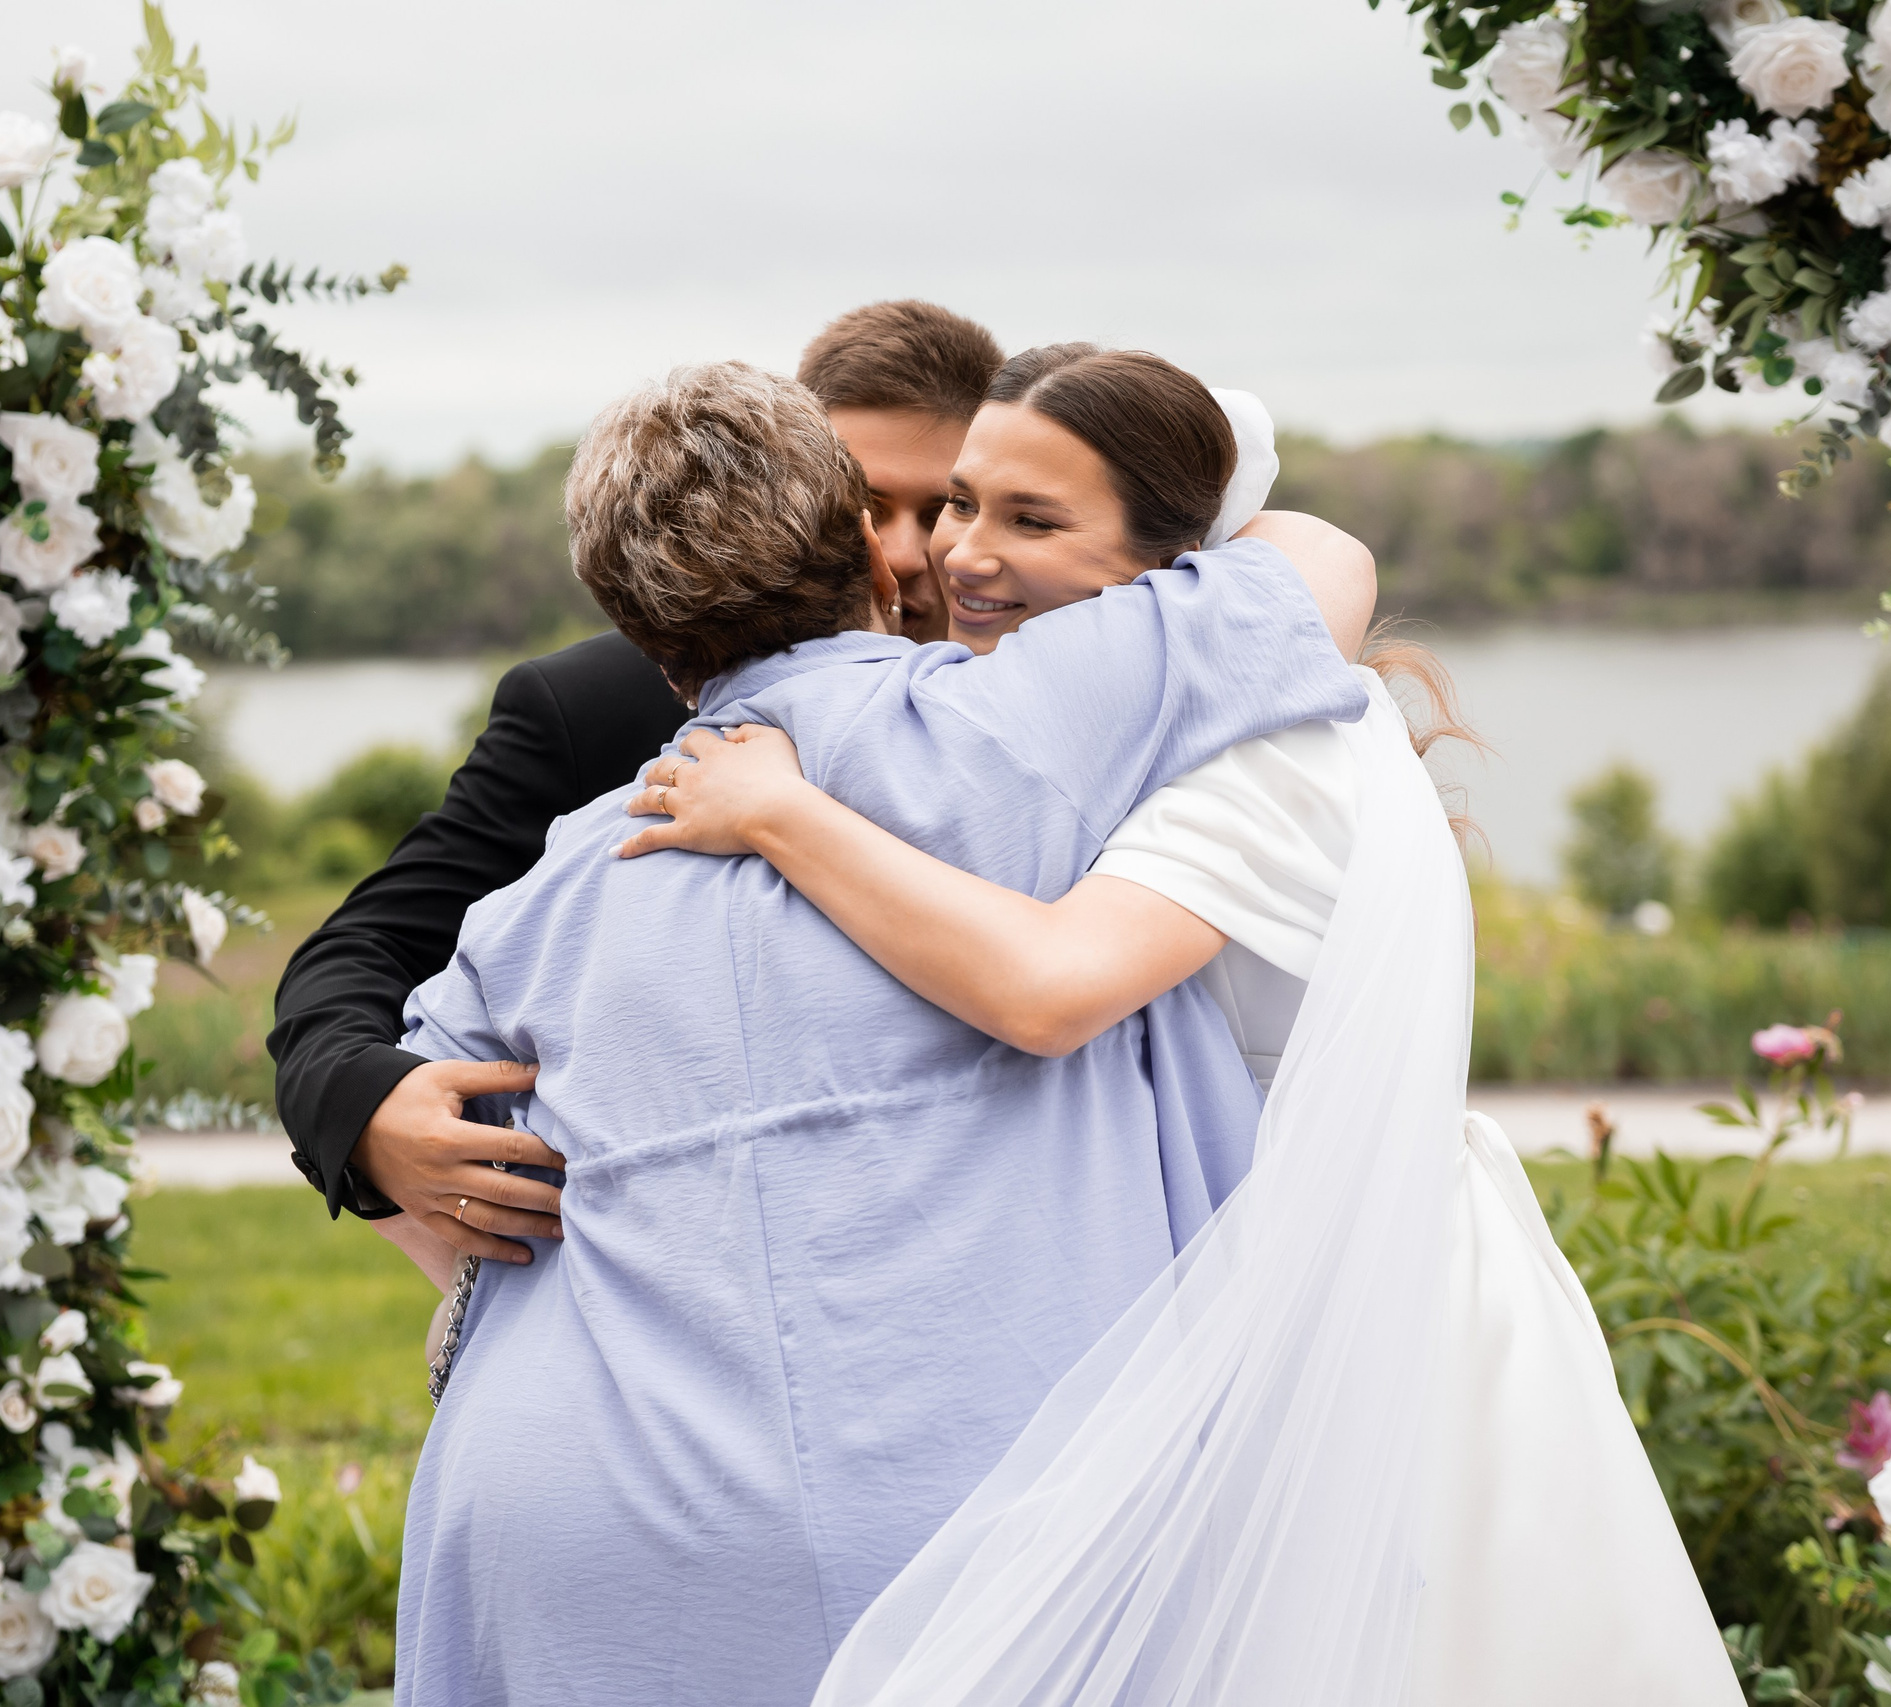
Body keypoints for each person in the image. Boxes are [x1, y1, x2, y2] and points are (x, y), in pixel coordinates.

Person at [620, 344, 1741, 1704]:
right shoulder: (1073, 723)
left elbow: (1047, 990)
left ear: (1177, 568)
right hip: (1184, 1270)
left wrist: (783, 816)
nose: (959, 553)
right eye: (962, 501)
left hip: (1332, 1283)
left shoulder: (1267, 752)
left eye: (1033, 521)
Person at [382, 357, 1375, 1704]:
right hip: (953, 1516)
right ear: (868, 544)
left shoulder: (542, 897)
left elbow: (432, 1175)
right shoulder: (1038, 715)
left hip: (554, 1517)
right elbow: (1321, 566)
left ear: (637, 626)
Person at [264, 299, 1002, 1244]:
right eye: (869, 506)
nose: (903, 549)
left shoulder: (1061, 694)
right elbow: (365, 949)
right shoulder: (593, 706)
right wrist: (370, 1112)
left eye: (945, 509)